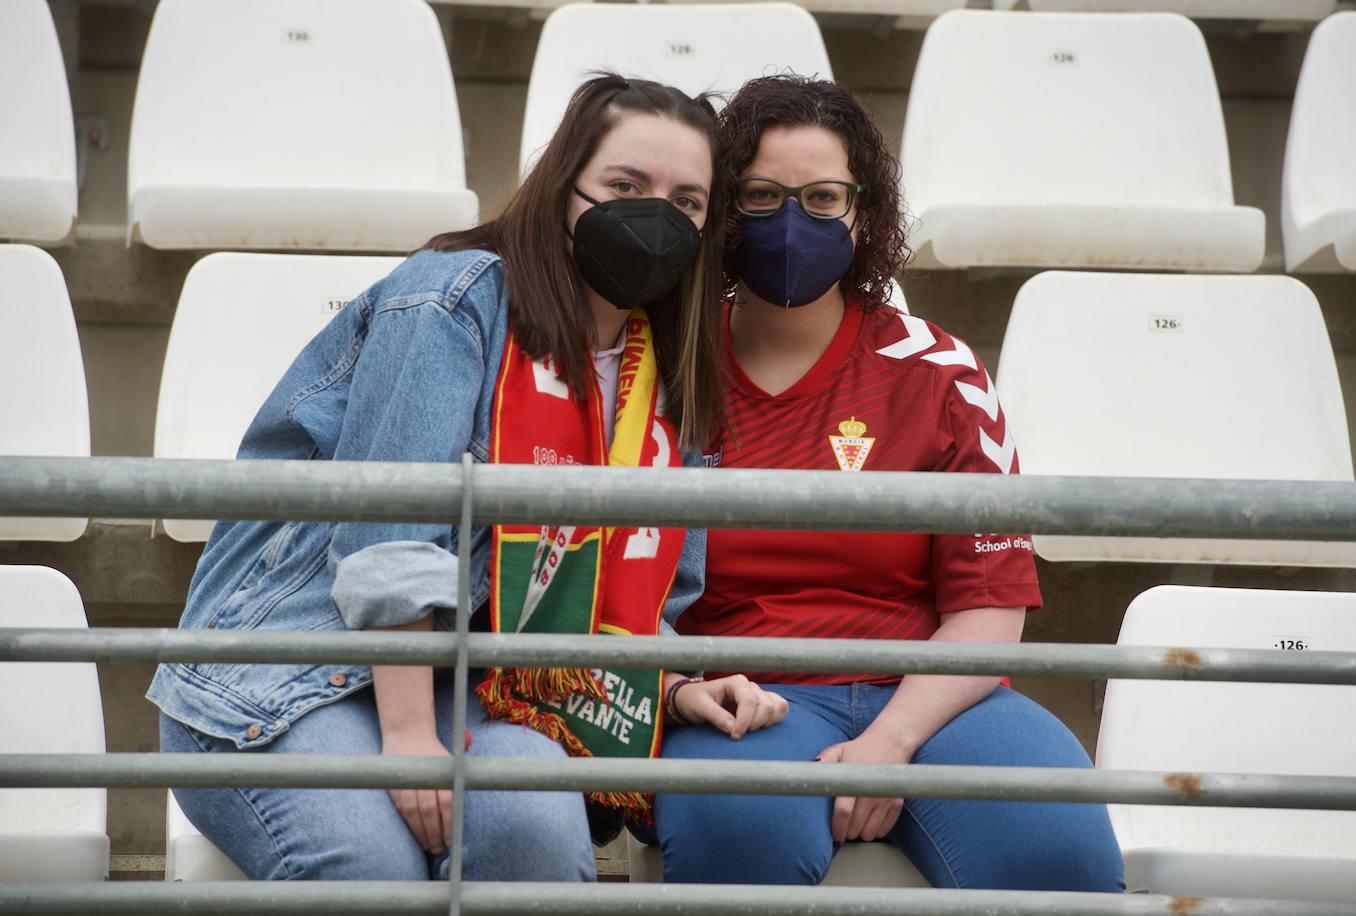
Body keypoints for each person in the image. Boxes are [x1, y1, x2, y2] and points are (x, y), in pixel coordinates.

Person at [148, 74, 786, 883]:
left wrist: (672, 686)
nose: (656, 217)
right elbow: (391, 531)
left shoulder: (669, 375)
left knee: (536, 828)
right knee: (371, 865)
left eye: (686, 202)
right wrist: (410, 736)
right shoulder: (452, 298)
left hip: (485, 692)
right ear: (564, 189)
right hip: (289, 674)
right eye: (626, 187)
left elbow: (649, 589)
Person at [652, 74, 1124, 891]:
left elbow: (988, 604)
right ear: (722, 210)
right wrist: (680, 684)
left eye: (823, 197)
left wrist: (893, 740)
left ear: (863, 211)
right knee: (735, 837)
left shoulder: (941, 372)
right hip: (747, 699)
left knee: (1058, 855)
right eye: (760, 196)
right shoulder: (663, 374)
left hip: (936, 698)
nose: (792, 220)